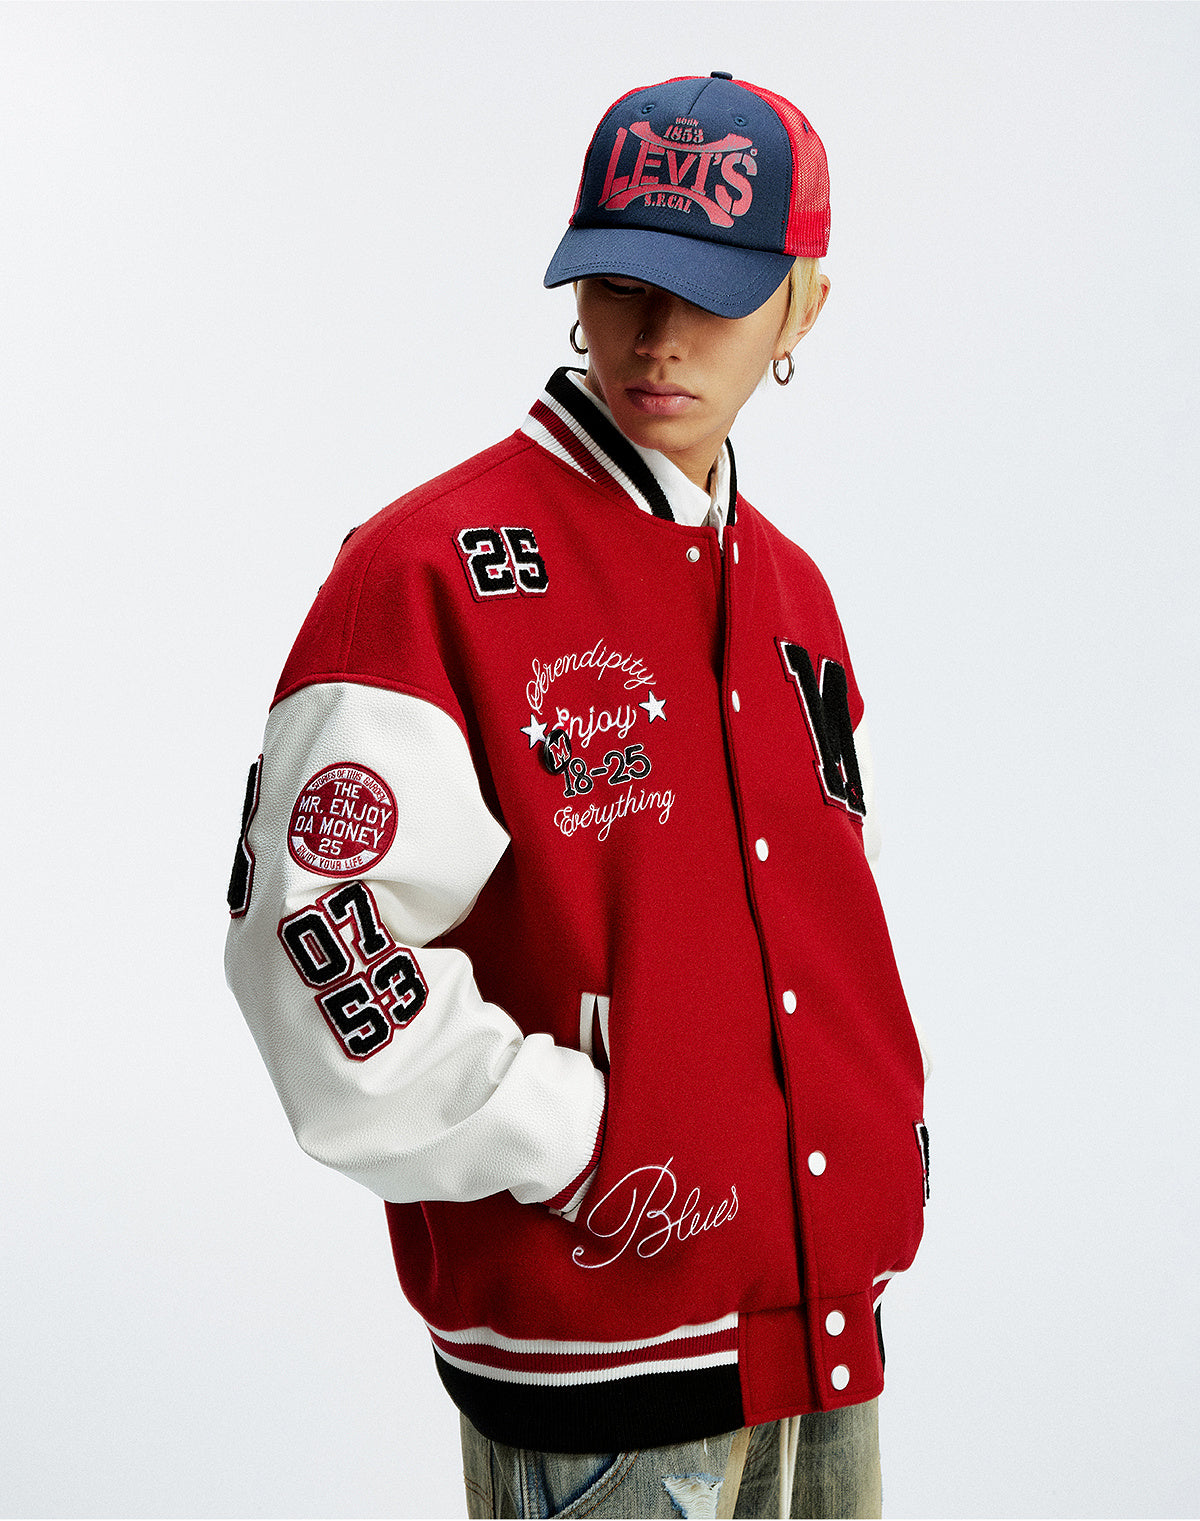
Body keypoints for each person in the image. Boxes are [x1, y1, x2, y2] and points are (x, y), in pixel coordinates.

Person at [225, 72, 928, 1520]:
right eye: (619, 284)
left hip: (820, 1318)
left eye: (712, 294)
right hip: (599, 1350)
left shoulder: (789, 591)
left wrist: (879, 1141)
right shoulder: (430, 568)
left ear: (803, 307)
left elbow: (815, 920)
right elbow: (309, 935)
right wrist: (564, 1131)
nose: (658, 335)